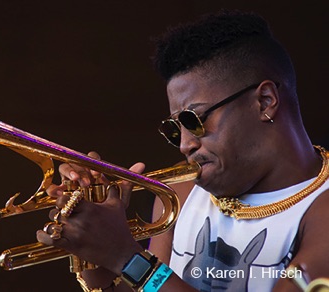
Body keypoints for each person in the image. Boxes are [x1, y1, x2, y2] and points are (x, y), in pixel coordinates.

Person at [36, 9, 329, 291]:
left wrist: (125, 258)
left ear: (264, 101)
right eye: (174, 128)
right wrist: (96, 255)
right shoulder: (180, 194)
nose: (184, 144)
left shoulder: (322, 211)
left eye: (194, 120)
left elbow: (144, 274)